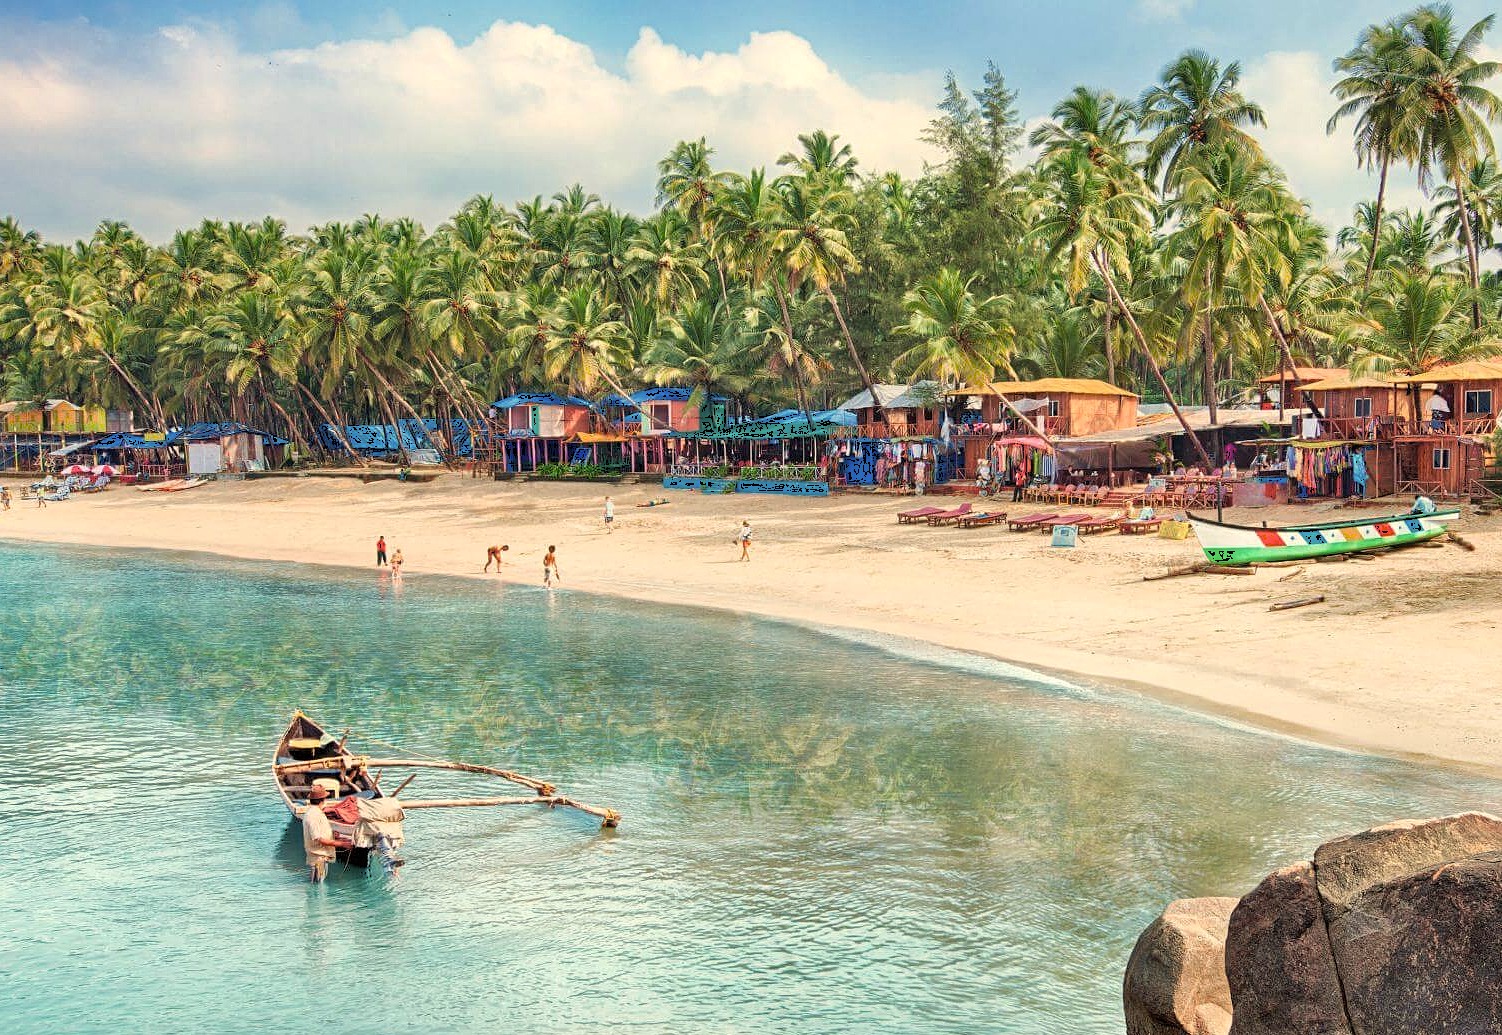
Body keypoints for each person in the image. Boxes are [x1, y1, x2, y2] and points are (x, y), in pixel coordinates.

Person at [301, 785, 340, 883]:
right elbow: (319, 839)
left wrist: (332, 835)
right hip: (318, 859)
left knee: (316, 886)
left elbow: (319, 834)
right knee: (318, 887)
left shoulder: (314, 812)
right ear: (323, 799)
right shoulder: (314, 815)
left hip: (319, 858)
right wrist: (342, 844)